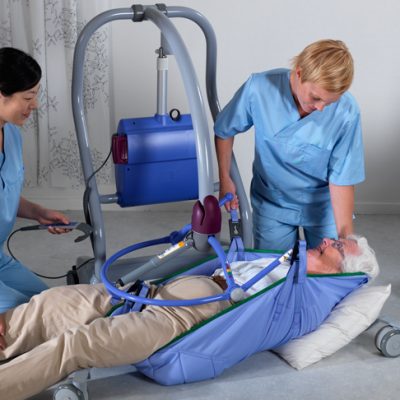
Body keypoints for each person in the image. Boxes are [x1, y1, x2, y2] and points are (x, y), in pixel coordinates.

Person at [0, 235, 378, 400]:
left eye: (336, 246)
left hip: (184, 320)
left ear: (341, 271)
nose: (326, 240)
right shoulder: (284, 262)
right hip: (159, 291)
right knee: (52, 302)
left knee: (77, 344)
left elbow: (276, 323)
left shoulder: (305, 302)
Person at [214, 39, 365, 251]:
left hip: (324, 209)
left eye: (329, 102)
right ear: (299, 73)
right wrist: (225, 179)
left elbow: (342, 177)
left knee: (333, 267)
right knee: (274, 268)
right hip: (273, 204)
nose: (321, 108)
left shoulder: (346, 111)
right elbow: (224, 130)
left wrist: (345, 240)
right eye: (316, 97)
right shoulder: (259, 89)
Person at [0, 47, 71, 313]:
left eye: (36, 95)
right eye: (28, 97)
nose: (36, 105)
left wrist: (39, 212)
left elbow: (5, 192)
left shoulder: (12, 135)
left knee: (51, 304)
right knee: (26, 316)